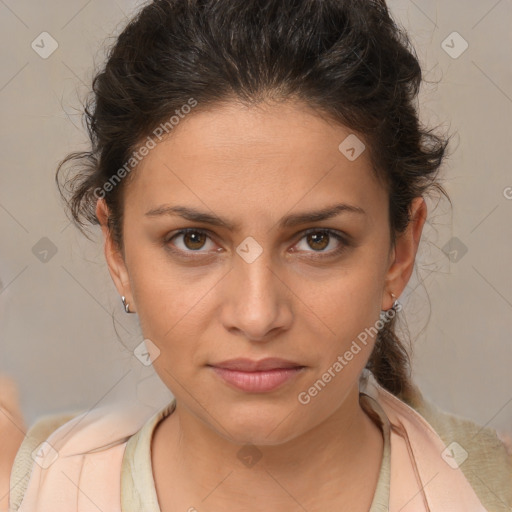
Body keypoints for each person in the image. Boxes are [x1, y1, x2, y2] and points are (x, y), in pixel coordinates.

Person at [1, 0, 511, 510]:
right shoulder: (29, 489)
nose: (257, 315)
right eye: (193, 240)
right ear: (118, 253)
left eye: (318, 240)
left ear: (399, 253)